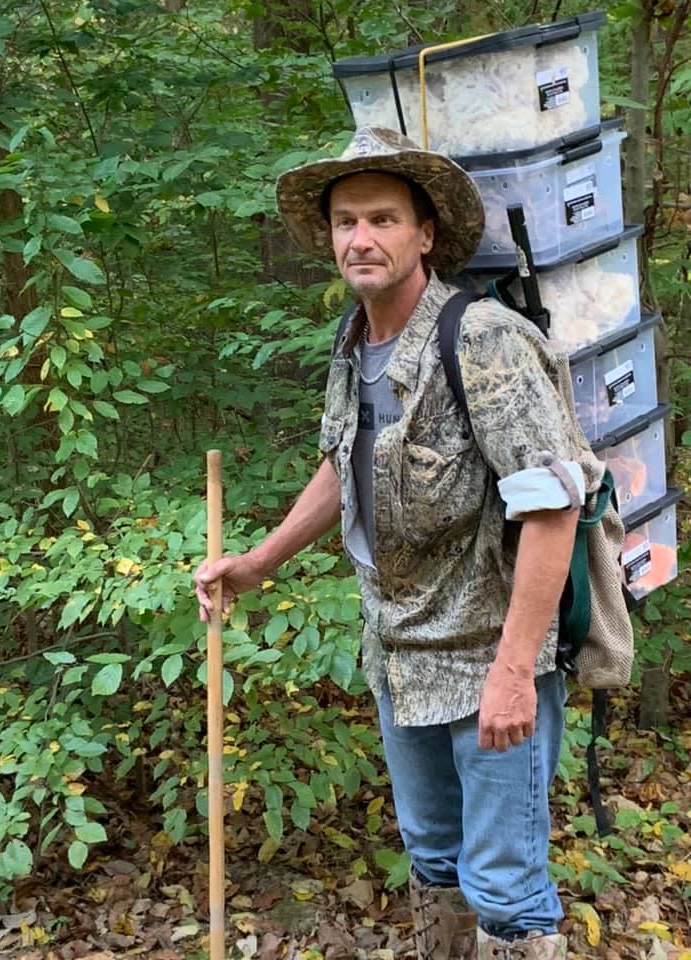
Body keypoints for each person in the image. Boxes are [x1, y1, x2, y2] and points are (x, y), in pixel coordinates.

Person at [195, 127, 599, 960]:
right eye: (346, 222)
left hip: (491, 652)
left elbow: (551, 509)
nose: (361, 238)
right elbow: (344, 469)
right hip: (399, 654)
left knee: (506, 888)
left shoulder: (483, 340)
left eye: (383, 219)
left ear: (424, 235)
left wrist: (516, 674)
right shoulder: (355, 344)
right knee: (435, 862)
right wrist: (258, 563)